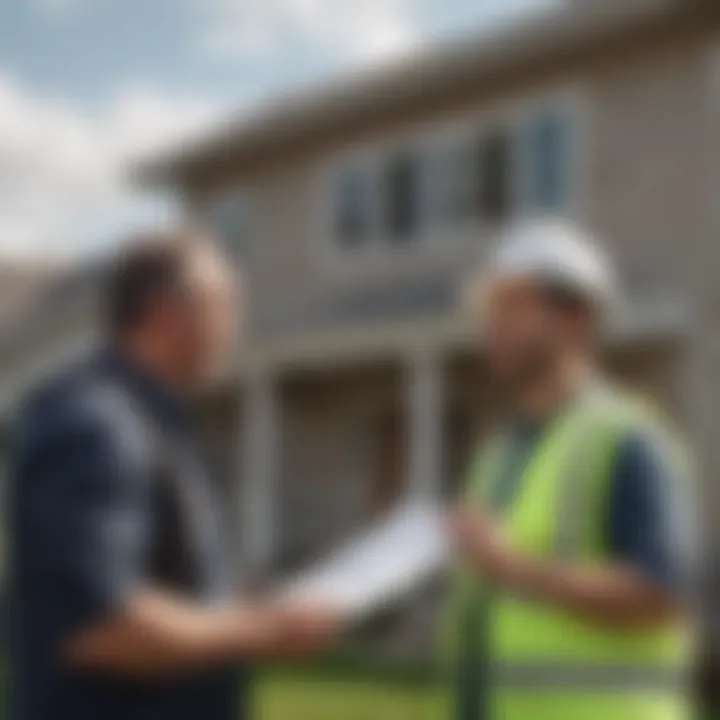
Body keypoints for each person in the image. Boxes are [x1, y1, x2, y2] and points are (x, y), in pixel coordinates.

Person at [7, 231, 340, 720]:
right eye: (225, 306)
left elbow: (164, 580)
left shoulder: (149, 424)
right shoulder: (95, 426)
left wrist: (243, 606)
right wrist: (263, 630)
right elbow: (99, 626)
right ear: (169, 313)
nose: (233, 329)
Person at [444, 219, 697, 720]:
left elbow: (660, 592)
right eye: (488, 310)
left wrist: (513, 567)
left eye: (511, 307)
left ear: (574, 319)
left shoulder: (629, 440)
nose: (491, 325)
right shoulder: (498, 452)